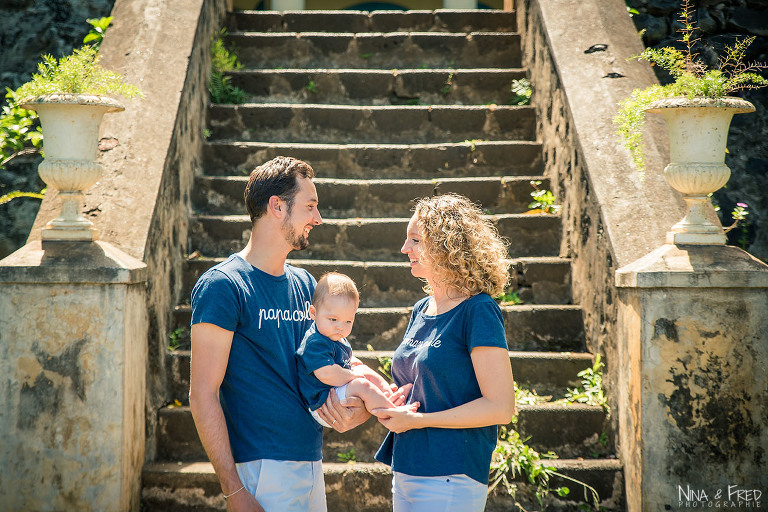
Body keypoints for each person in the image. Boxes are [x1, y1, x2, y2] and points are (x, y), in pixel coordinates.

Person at [189, 156, 411, 512]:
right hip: (261, 469)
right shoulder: (222, 286)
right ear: (277, 207)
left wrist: (376, 395)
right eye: (310, 207)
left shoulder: (306, 283)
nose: (317, 219)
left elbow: (339, 357)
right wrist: (233, 490)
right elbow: (202, 394)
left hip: (309, 460)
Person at [373, 193, 518, 512]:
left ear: (444, 245)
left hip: (451, 475)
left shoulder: (478, 310)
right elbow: (426, 384)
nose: (404, 249)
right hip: (406, 469)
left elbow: (501, 407)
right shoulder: (421, 309)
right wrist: (396, 402)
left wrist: (419, 420)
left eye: (415, 240)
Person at [297, 272, 419, 427]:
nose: (340, 326)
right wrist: (354, 375)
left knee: (365, 370)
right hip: (323, 403)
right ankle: (391, 411)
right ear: (313, 313)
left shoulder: (333, 335)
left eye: (348, 321)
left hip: (335, 389)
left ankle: (388, 394)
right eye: (333, 319)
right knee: (362, 384)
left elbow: (348, 361)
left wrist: (358, 371)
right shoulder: (315, 342)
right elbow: (327, 374)